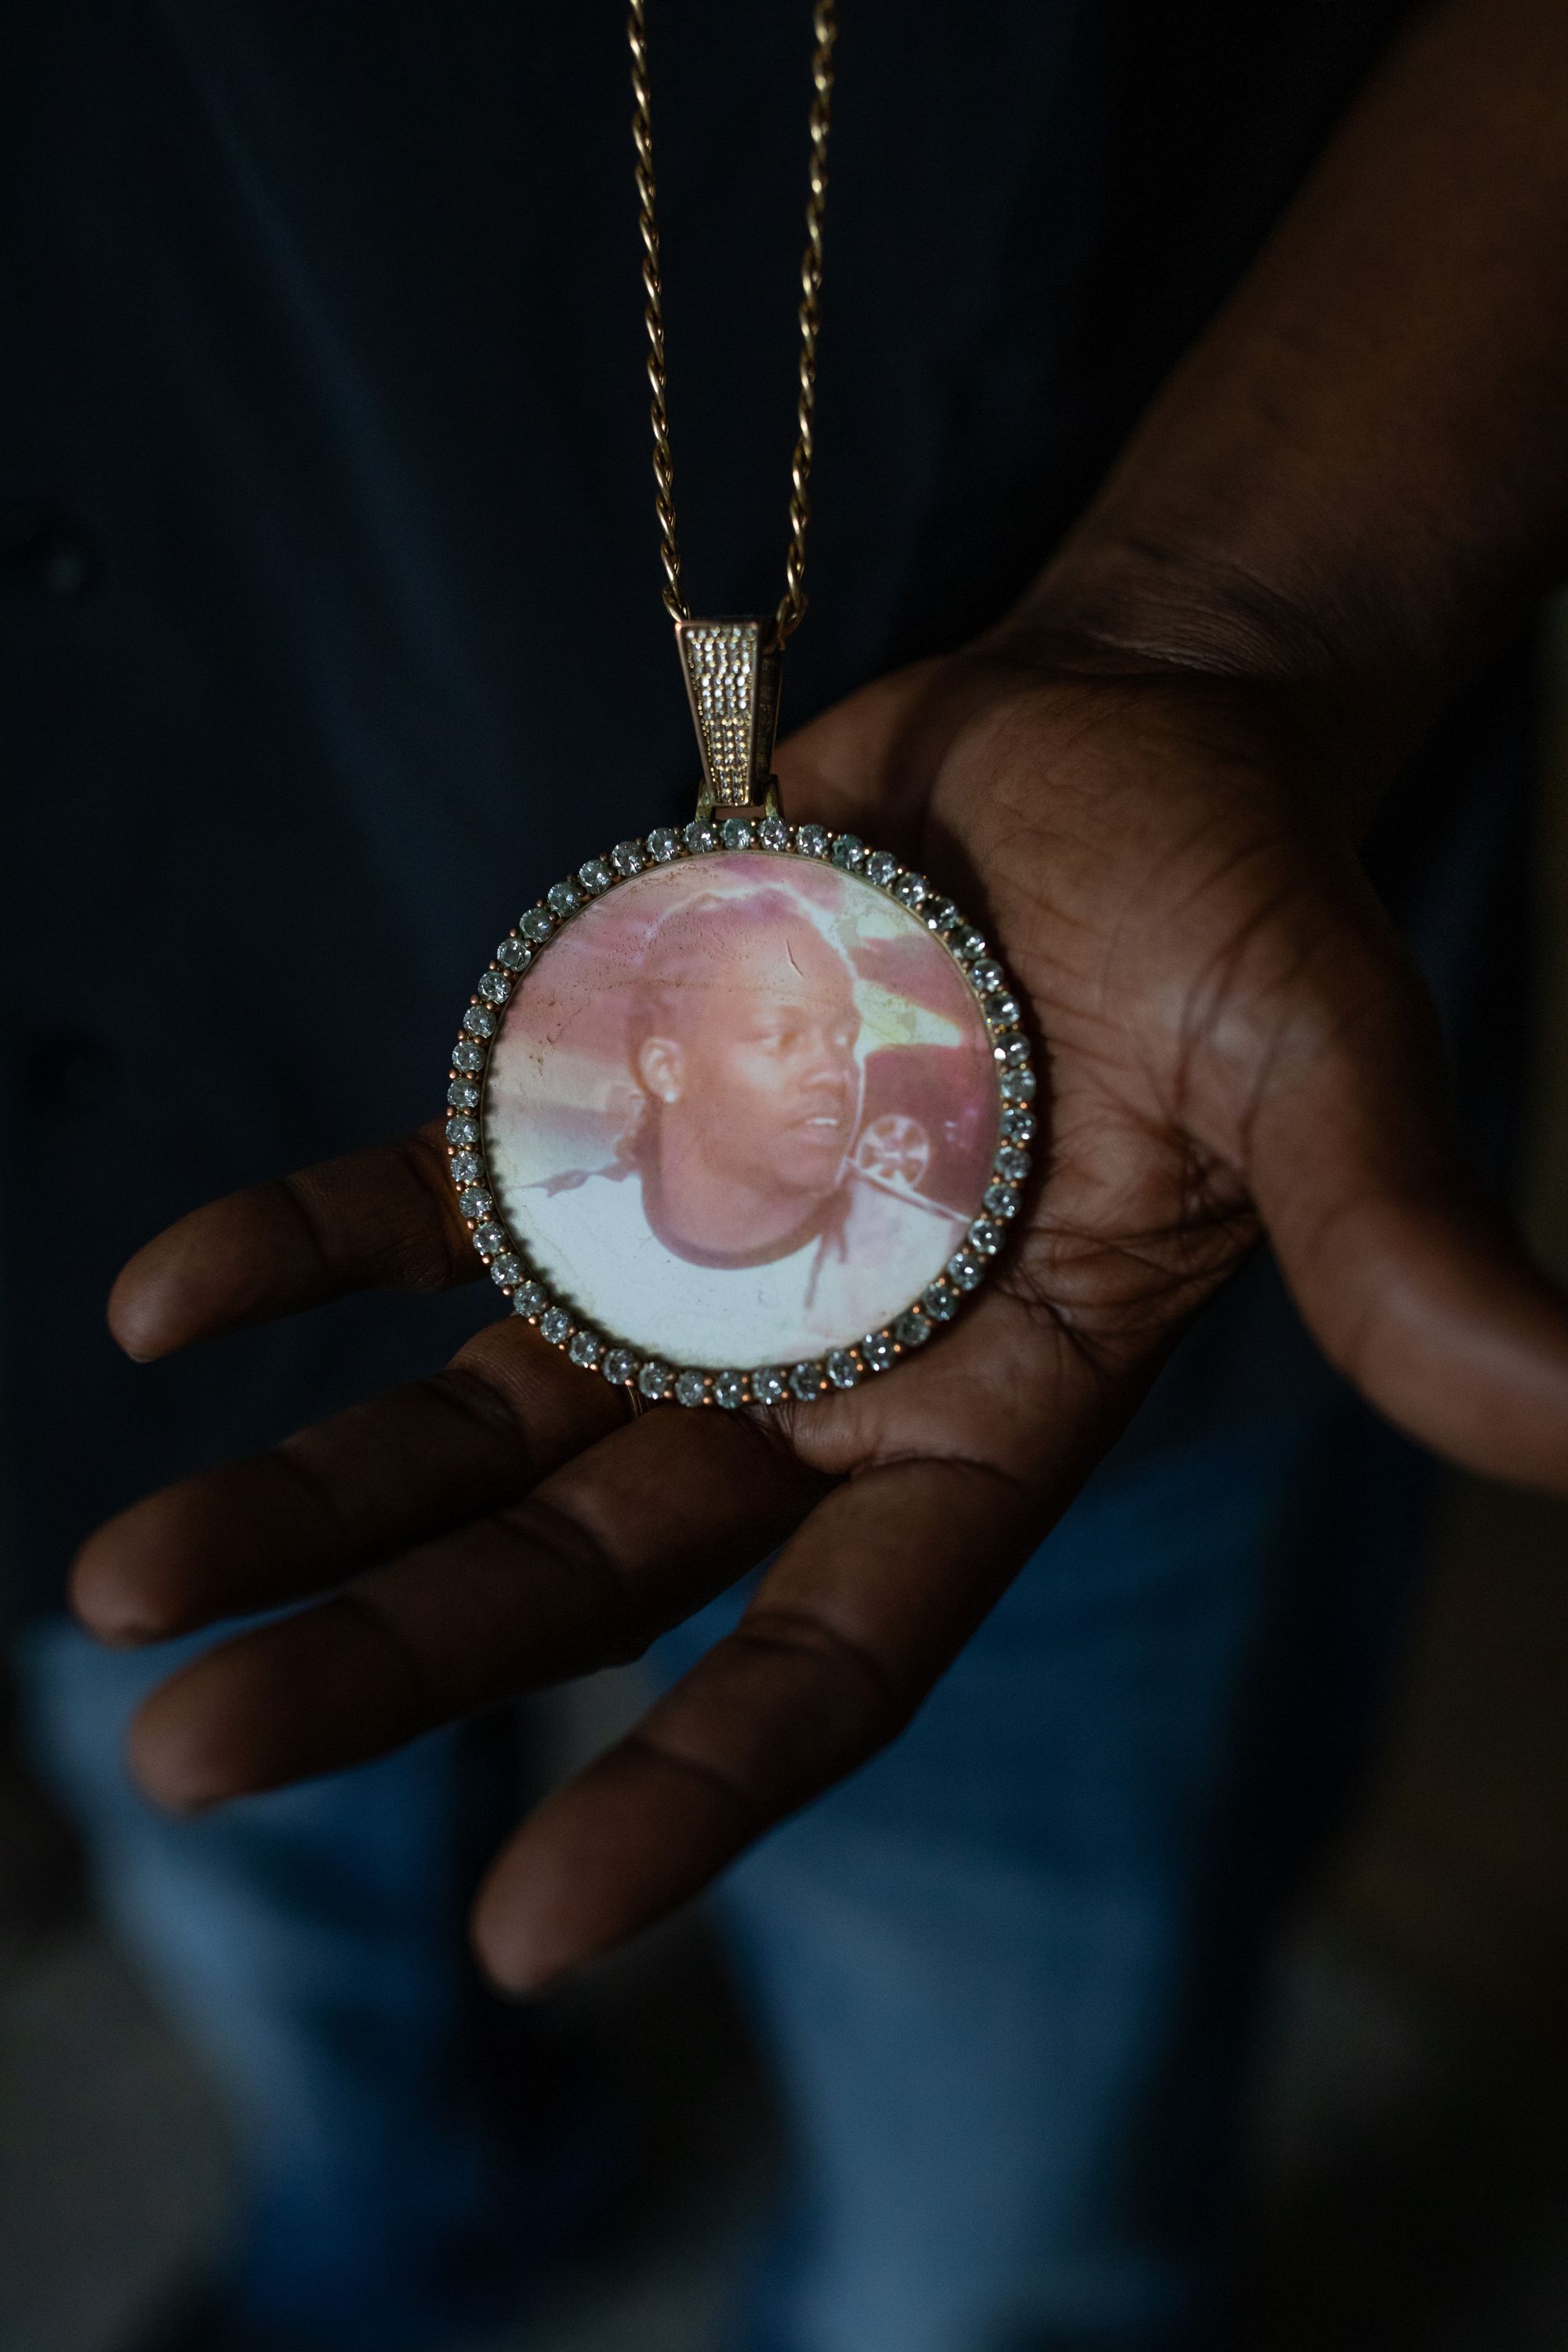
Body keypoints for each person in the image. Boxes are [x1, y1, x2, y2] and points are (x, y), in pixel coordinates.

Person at [5, 4, 1568, 2350]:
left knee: (998, 2156)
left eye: (809, 1029)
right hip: (75, 1083)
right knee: (248, 1854)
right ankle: (411, 2202)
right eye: (750, 1025)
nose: (796, 1055)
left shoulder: (931, 1176)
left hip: (1077, 1268)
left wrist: (1238, 620)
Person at [503, 885, 969, 1364]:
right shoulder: (558, 1235)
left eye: (846, 1037)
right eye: (780, 1036)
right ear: (668, 1070)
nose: (835, 1072)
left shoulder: (933, 1256)